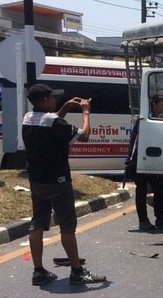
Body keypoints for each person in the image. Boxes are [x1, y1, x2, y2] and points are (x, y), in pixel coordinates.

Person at [22, 83, 106, 286]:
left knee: (38, 224)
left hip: (37, 180)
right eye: (52, 98)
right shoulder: (55, 123)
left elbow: (50, 121)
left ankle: (38, 271)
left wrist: (66, 108)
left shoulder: (28, 118)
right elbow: (84, 136)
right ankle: (77, 272)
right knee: (67, 227)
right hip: (58, 181)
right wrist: (86, 112)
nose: (55, 100)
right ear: (44, 101)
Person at [128, 95, 163, 231]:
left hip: (156, 159)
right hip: (141, 159)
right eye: (162, 105)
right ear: (154, 104)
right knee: (141, 190)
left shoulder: (161, 120)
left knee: (160, 189)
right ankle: (143, 220)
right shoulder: (144, 119)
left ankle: (160, 218)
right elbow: (136, 139)